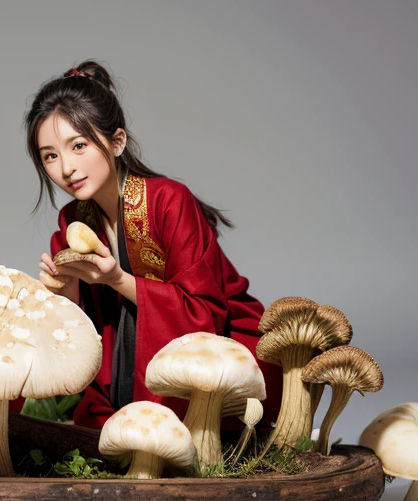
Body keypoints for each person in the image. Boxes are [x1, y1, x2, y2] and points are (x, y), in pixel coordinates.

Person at [23, 60, 282, 432]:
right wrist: (66, 292)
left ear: (117, 141)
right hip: (121, 371)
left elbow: (205, 315)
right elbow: (79, 334)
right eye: (50, 155)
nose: (66, 168)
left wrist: (117, 280)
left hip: (220, 355)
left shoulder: (169, 201)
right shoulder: (72, 222)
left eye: (78, 145)